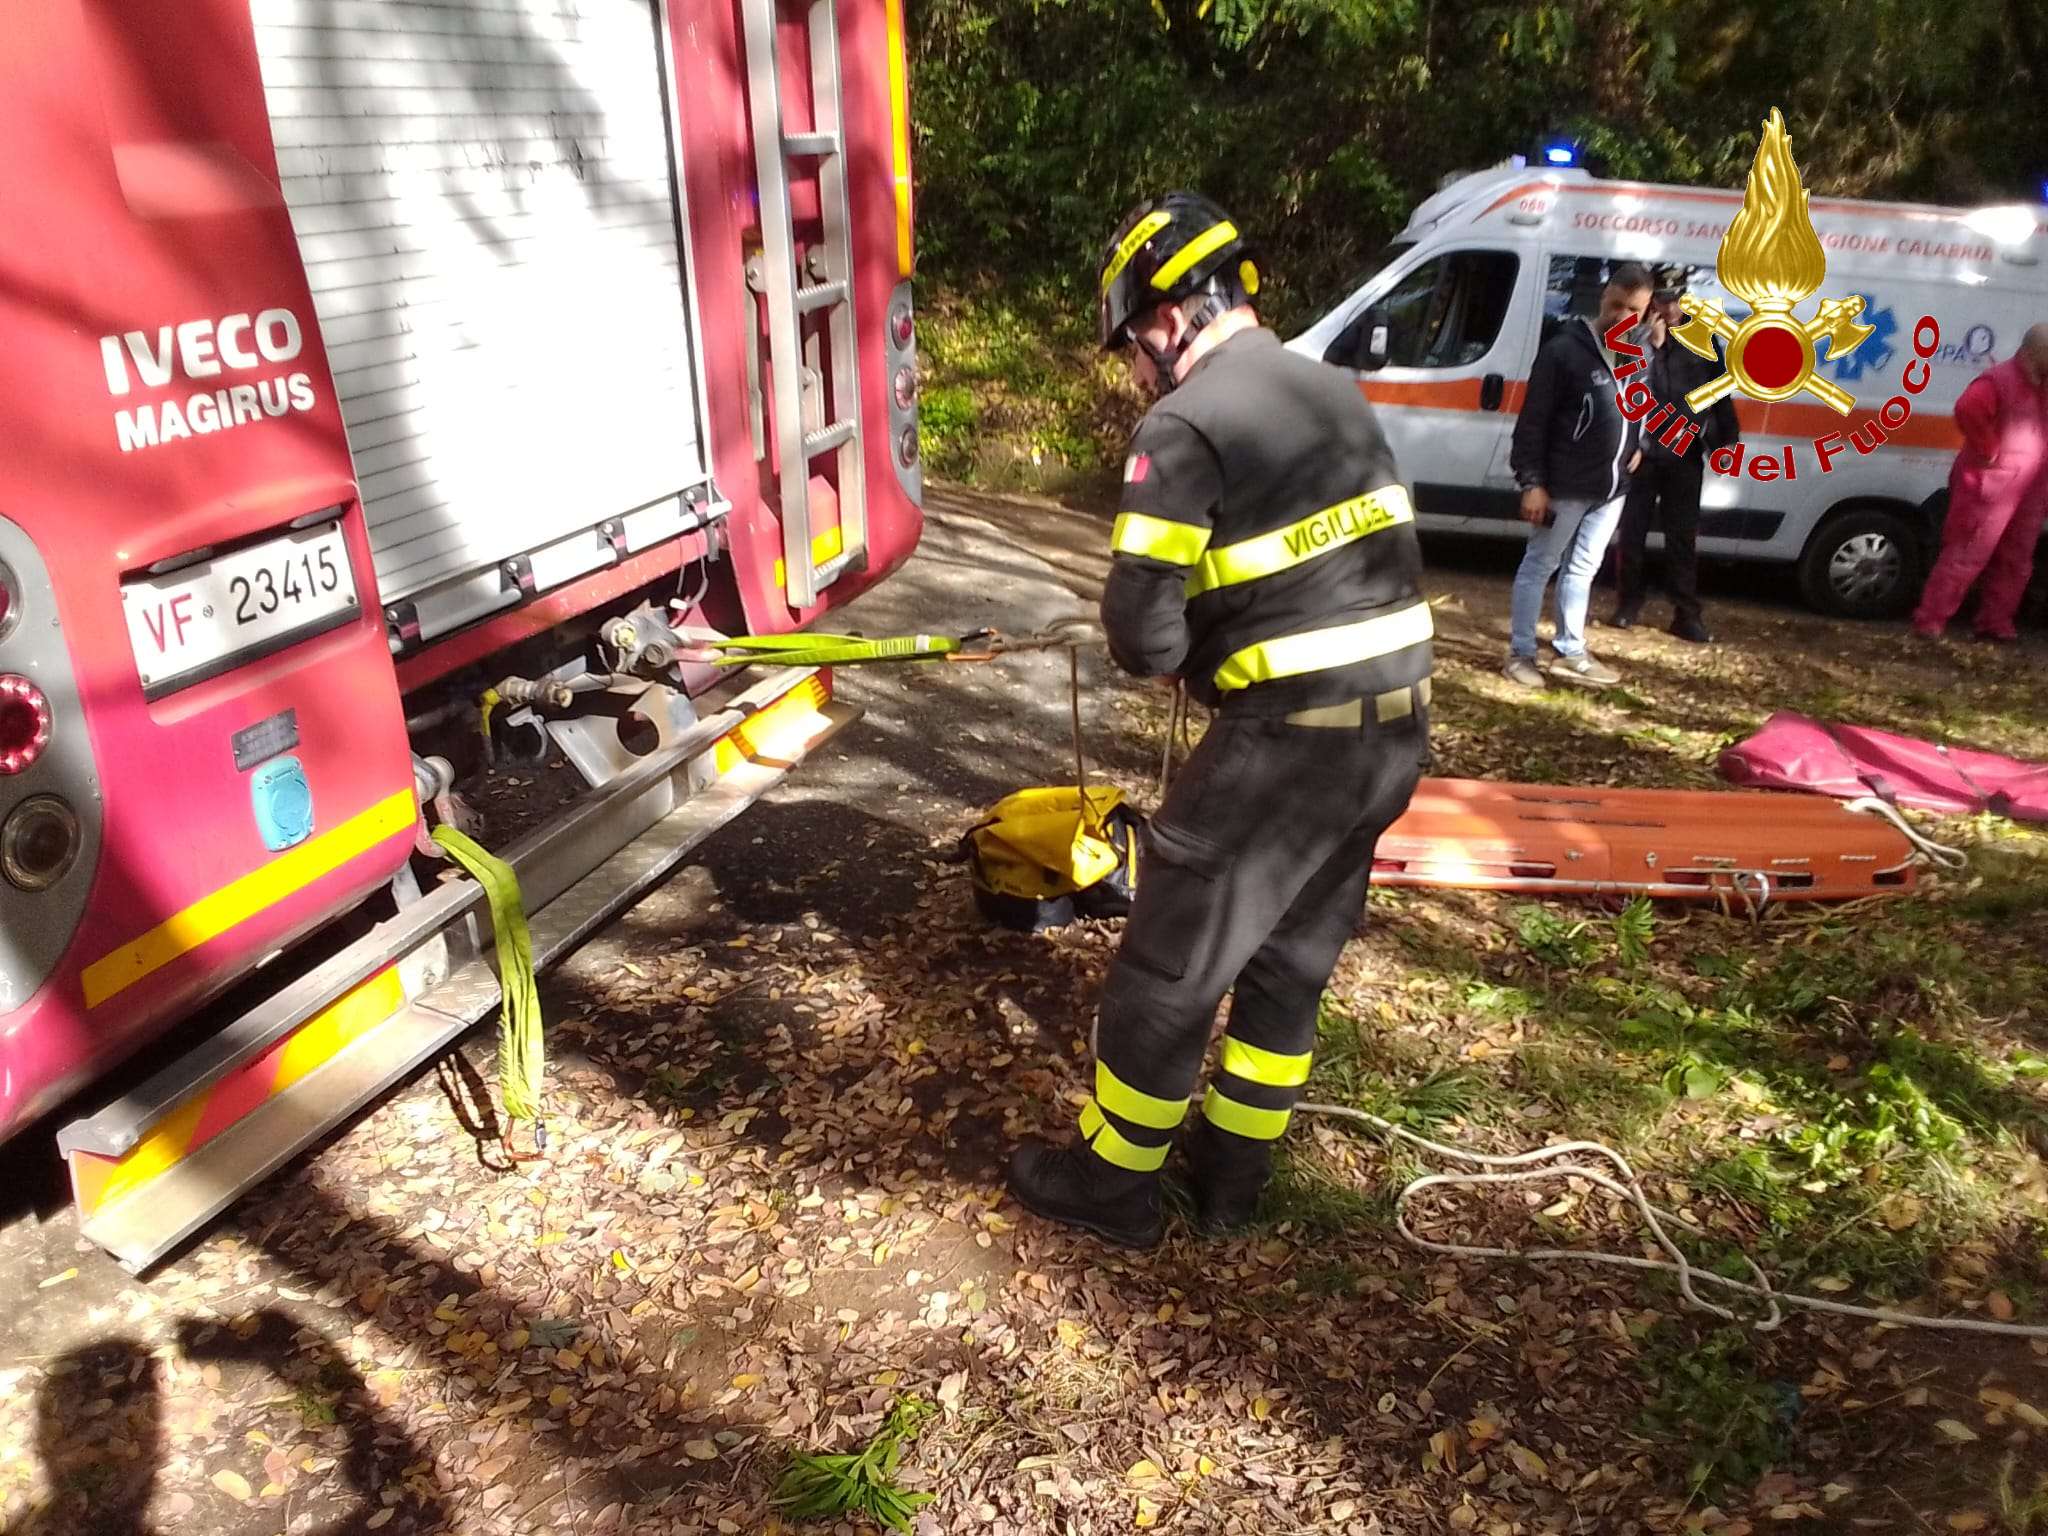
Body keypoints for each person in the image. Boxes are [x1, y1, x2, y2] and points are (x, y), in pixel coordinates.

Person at [1005, 192, 1434, 1249]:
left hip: (1287, 746)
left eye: (1131, 347)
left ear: (1162, 320)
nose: (1136, 370)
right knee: (1287, 967)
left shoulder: (1185, 421)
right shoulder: (1330, 389)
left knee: (1166, 971)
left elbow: (1140, 627)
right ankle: (1232, 1180)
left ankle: (1113, 1187)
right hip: (1392, 738)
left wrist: (1178, 658)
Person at [1503, 264, 1655, 688]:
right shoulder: (1563, 351)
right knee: (1540, 565)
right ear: (1603, 297)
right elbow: (1533, 422)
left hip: (1611, 489)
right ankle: (1521, 653)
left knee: (1583, 568)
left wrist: (1638, 446)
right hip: (1564, 485)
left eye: (1634, 311)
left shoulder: (1635, 353)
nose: (1623, 317)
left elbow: (1636, 408)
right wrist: (1531, 483)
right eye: (1617, 305)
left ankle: (1571, 650)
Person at [1611, 275, 1740, 643]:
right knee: (1632, 532)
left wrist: (1727, 441)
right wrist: (1652, 345)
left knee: (1681, 537)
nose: (1667, 309)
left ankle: (1685, 613)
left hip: (1684, 453)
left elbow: (1719, 395)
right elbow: (1631, 390)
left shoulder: (1703, 343)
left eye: (1674, 301)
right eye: (1661, 302)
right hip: (1644, 451)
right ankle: (1628, 604)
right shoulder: (1638, 340)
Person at [1911, 323, 2048, 643]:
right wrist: (1988, 451)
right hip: (1993, 483)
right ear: (2035, 352)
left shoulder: (2039, 384)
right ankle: (1930, 621)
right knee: (1967, 553)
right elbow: (1967, 408)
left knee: (2016, 559)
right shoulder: (2000, 381)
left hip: (2030, 486)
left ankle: (1995, 622)